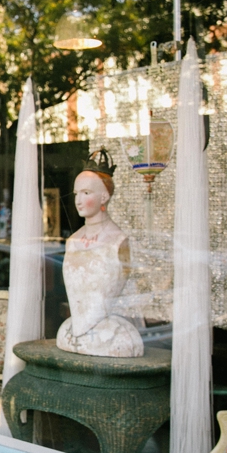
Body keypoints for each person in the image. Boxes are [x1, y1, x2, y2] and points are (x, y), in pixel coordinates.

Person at [56, 148, 143, 357]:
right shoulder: (73, 241)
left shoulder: (117, 241)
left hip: (106, 336)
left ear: (104, 196)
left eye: (86, 193)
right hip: (71, 334)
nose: (78, 200)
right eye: (76, 193)